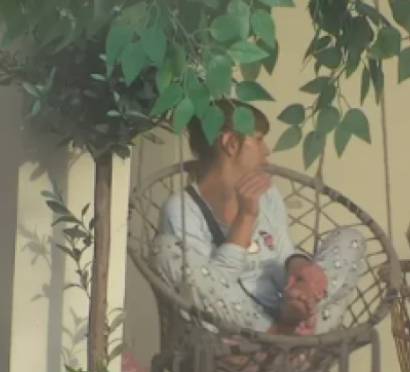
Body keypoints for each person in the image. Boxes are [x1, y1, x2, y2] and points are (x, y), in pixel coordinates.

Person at [150, 99, 366, 336]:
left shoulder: (267, 194)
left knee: (350, 239)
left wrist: (300, 275)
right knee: (164, 249)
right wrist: (246, 218)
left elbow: (282, 255)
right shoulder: (182, 209)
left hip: (283, 308)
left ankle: (300, 328)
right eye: (259, 139)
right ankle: (281, 338)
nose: (267, 150)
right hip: (234, 326)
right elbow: (210, 289)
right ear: (231, 143)